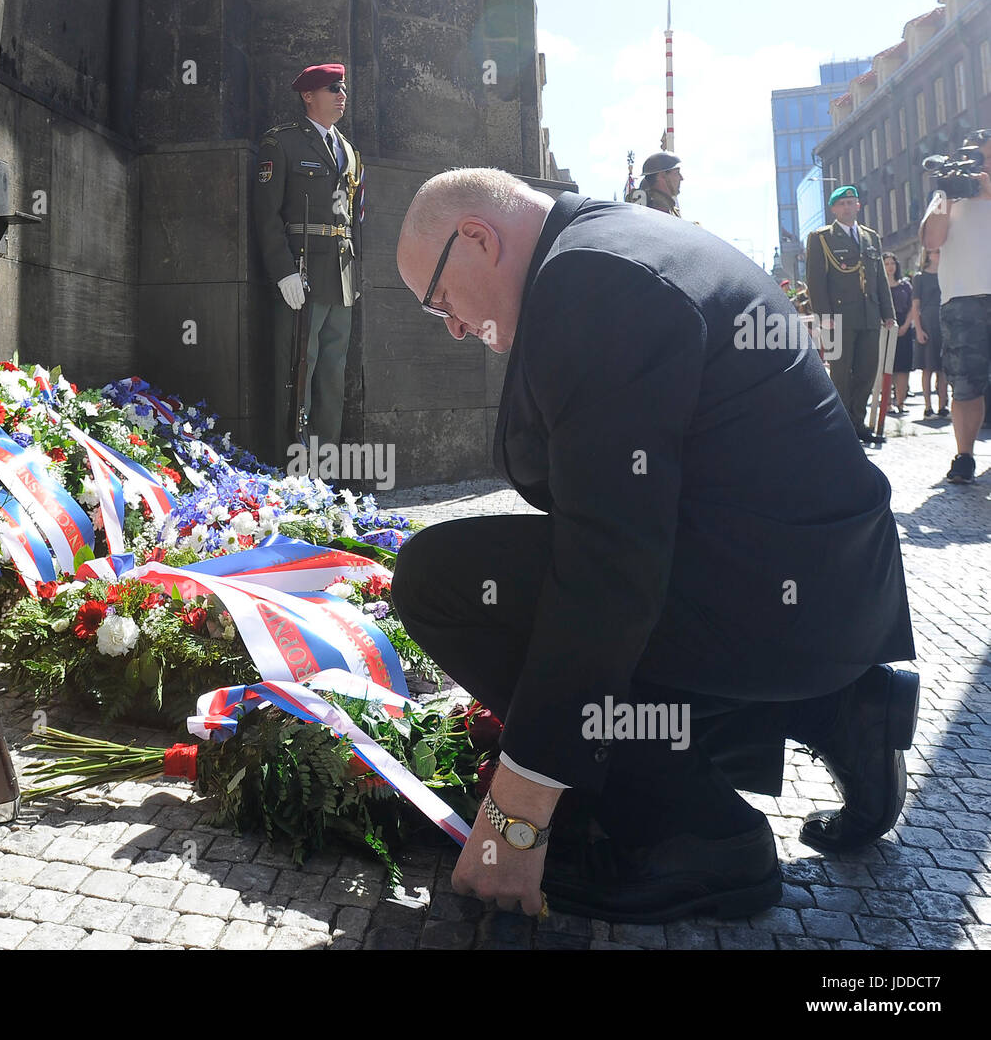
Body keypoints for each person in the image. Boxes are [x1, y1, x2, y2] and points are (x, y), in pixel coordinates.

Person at [391, 169, 916, 922]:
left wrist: (520, 807)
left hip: (777, 597)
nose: (449, 324)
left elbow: (610, 564)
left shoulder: (588, 281)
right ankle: (839, 707)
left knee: (441, 581)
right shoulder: (606, 244)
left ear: (476, 238)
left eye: (440, 297)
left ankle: (700, 834)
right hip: (813, 591)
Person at [252, 63, 364, 463]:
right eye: (333, 88)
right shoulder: (281, 144)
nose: (341, 95)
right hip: (302, 272)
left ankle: (324, 469)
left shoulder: (349, 151)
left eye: (344, 88)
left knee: (332, 376)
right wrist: (282, 271)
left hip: (340, 276)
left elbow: (354, 218)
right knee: (297, 370)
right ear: (308, 95)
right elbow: (266, 215)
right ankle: (290, 466)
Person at [919, 128, 991, 484]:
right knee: (965, 384)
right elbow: (932, 240)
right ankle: (965, 456)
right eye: (977, 158)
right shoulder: (947, 194)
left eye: (988, 159)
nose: (981, 167)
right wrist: (946, 194)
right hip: (962, 298)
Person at [805, 185, 898, 442]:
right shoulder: (821, 238)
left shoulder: (870, 237)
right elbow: (816, 281)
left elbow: (879, 278)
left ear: (858, 206)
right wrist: (824, 316)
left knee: (867, 371)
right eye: (842, 203)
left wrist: (887, 312)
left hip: (870, 315)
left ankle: (857, 422)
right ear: (834, 209)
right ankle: (841, 426)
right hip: (839, 318)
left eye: (851, 202)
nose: (847, 207)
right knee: (841, 372)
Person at [909, 247, 949, 418]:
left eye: (940, 252)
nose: (938, 254)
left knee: (943, 368)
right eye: (935, 252)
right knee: (927, 367)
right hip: (927, 322)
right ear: (928, 255)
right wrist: (918, 329)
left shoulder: (947, 273)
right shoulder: (920, 278)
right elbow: (915, 306)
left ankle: (942, 406)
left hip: (945, 321)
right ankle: (928, 407)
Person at [883, 252, 914, 414]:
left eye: (892, 263)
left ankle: (901, 403)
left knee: (903, 368)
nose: (890, 266)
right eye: (886, 263)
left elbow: (913, 307)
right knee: (887, 367)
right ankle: (887, 404)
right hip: (886, 329)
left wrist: (905, 326)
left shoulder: (905, 285)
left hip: (904, 329)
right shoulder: (879, 286)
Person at [639, 151, 683, 216]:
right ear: (662, 175)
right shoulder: (657, 207)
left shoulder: (669, 207)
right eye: (677, 173)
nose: (681, 178)